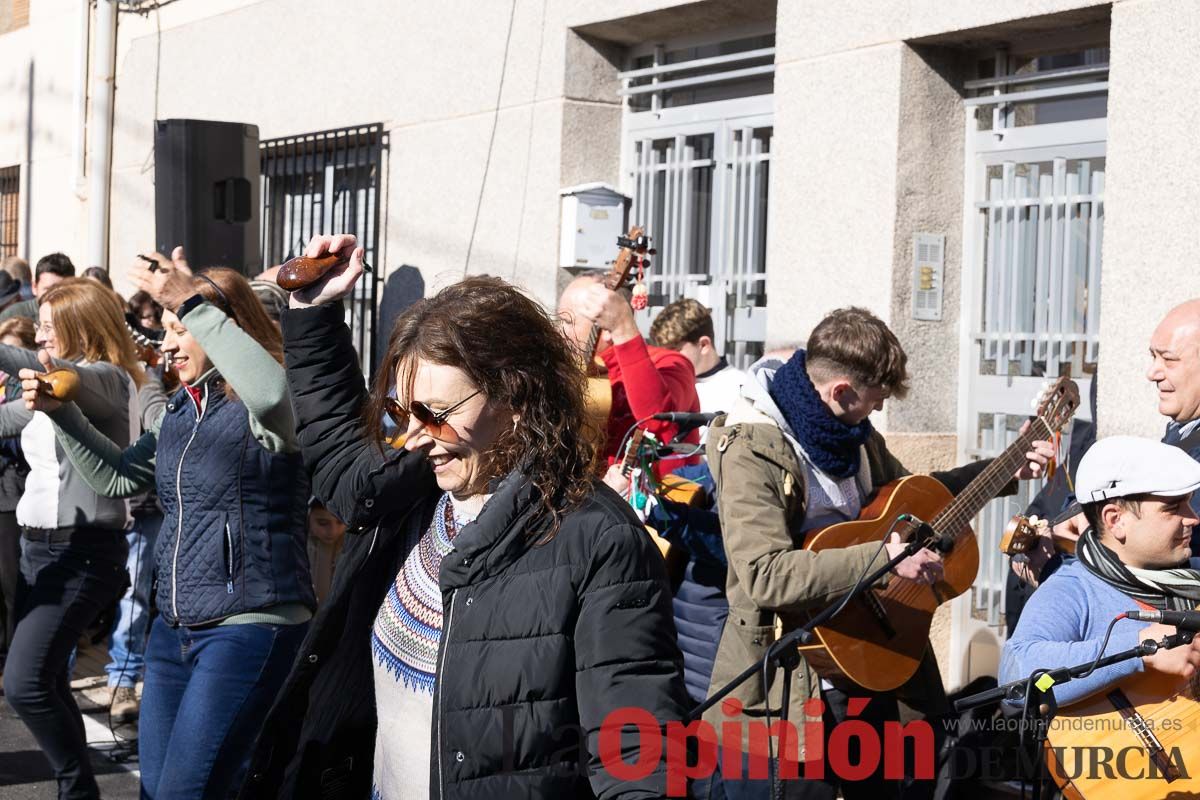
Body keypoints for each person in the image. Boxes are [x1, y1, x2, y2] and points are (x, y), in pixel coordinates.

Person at [241, 234, 689, 800]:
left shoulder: (600, 541)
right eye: (404, 412)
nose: (415, 437)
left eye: (435, 414)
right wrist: (310, 315)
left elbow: (634, 753)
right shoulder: (412, 490)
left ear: (516, 397)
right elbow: (335, 452)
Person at [704, 307, 1054, 800]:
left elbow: (918, 498)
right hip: (786, 683)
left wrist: (1006, 468)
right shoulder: (751, 446)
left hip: (878, 655)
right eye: (873, 402)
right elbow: (764, 575)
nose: (877, 414)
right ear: (841, 391)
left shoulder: (853, 436)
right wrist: (883, 559)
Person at [26, 249, 314, 798]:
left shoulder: (271, 402)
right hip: (174, 631)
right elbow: (118, 476)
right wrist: (61, 413)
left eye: (183, 327)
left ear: (227, 327)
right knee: (156, 792)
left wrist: (187, 296)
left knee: (187, 792)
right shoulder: (183, 410)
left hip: (248, 627)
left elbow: (271, 392)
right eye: (167, 329)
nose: (169, 342)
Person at [0, 278, 141, 800]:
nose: (39, 335)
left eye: (47, 325)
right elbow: (9, 416)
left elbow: (67, 377)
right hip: (36, 550)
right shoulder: (45, 388)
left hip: (82, 551)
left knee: (24, 683)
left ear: (80, 325)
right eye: (37, 325)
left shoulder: (105, 380)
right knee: (49, 681)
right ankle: (76, 792)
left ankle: (77, 790)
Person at [1000, 436, 1200, 709]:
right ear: (1116, 520)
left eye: (1189, 503)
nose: (1193, 518)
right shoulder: (1073, 588)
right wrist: (1140, 649)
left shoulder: (1192, 580)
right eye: (1173, 508)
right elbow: (1015, 676)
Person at [557, 274, 700, 467]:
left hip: (651, 495)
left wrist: (623, 329)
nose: (558, 332)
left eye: (567, 321)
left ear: (604, 325)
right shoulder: (567, 373)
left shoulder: (670, 363)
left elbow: (657, 422)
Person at [651, 297, 747, 428]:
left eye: (676, 351)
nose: (667, 360)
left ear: (704, 345)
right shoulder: (662, 383)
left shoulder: (741, 390)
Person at [0, 317, 33, 678]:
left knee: (12, 583)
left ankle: (13, 660)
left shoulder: (25, 388)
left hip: (11, 494)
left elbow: (18, 442)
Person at [0, 252, 75, 323]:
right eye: (49, 289)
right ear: (34, 287)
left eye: (64, 290)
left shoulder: (79, 317)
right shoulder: (12, 317)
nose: (55, 295)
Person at [305, 499, 345, 604]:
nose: (333, 531)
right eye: (323, 523)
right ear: (308, 517)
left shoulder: (350, 544)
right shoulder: (299, 544)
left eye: (340, 522)